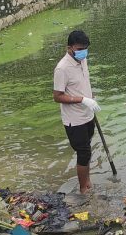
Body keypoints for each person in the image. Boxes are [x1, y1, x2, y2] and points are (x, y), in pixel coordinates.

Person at [53, 30, 102, 195]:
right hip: (74, 119)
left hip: (88, 114)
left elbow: (83, 82)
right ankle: (83, 189)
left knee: (87, 149)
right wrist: (82, 99)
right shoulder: (62, 68)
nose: (83, 51)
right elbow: (58, 96)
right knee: (83, 153)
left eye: (85, 48)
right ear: (69, 48)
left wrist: (91, 97)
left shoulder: (83, 60)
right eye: (80, 48)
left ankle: (87, 181)